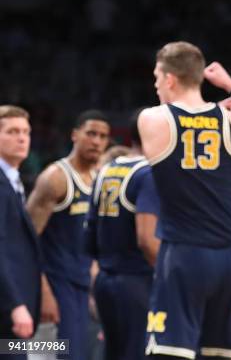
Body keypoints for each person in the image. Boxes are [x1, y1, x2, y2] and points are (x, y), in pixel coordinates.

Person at [138, 41, 231, 359]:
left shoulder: (153, 120)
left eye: (156, 77)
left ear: (169, 79)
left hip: (184, 254)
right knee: (226, 355)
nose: (155, 85)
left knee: (169, 352)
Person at [27, 110, 110, 360]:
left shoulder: (100, 179)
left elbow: (94, 242)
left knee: (79, 354)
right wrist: (44, 293)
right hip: (55, 281)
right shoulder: (55, 178)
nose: (96, 141)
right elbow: (26, 242)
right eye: (91, 133)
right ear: (75, 135)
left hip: (83, 283)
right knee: (45, 352)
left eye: (103, 136)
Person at [85, 110, 160, 360]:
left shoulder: (106, 170)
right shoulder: (148, 173)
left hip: (106, 280)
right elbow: (147, 240)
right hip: (137, 282)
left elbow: (89, 238)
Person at [0, 106, 41, 359]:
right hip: (6, 311)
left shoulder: (12, 181)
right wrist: (15, 305)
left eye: (26, 132)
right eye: (12, 131)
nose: (22, 138)